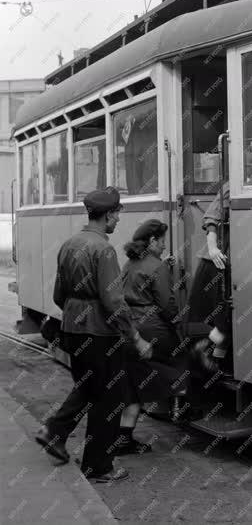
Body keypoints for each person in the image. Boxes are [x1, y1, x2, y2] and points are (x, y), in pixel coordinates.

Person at [35, 187, 152, 483]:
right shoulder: (104, 249)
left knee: (88, 387)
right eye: (117, 215)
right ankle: (99, 467)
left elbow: (59, 295)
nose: (118, 221)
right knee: (110, 399)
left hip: (73, 329)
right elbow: (113, 301)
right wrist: (135, 336)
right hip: (100, 333)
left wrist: (77, 313)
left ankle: (54, 432)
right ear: (109, 215)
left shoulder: (70, 244)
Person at [118, 219, 190, 452]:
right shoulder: (156, 266)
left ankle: (124, 438)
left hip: (129, 329)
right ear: (152, 241)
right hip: (152, 329)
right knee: (185, 360)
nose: (164, 247)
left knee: (133, 384)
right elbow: (167, 304)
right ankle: (181, 406)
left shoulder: (130, 263)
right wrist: (178, 323)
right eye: (162, 242)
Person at [185, 176, 231, 372]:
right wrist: (212, 248)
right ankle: (207, 355)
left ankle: (217, 360)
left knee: (226, 316)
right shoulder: (232, 186)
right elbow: (212, 217)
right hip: (217, 261)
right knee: (220, 317)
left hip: (230, 261)